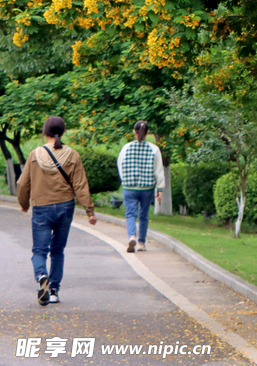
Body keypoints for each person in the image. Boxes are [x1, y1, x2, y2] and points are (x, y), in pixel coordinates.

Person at [17, 116, 97, 306]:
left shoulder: (35, 155)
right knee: (58, 250)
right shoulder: (73, 155)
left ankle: (41, 275)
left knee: (39, 250)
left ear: (44, 132)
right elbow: (80, 185)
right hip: (65, 207)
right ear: (63, 132)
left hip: (41, 207)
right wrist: (89, 211)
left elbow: (22, 184)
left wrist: (23, 203)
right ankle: (53, 291)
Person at [116, 121, 164, 253]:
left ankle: (132, 236)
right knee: (144, 215)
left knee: (130, 214)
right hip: (147, 188)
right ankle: (141, 242)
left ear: (134, 132)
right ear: (148, 132)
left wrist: (125, 180)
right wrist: (159, 189)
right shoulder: (154, 149)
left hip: (130, 187)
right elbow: (158, 170)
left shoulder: (126, 148)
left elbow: (120, 165)